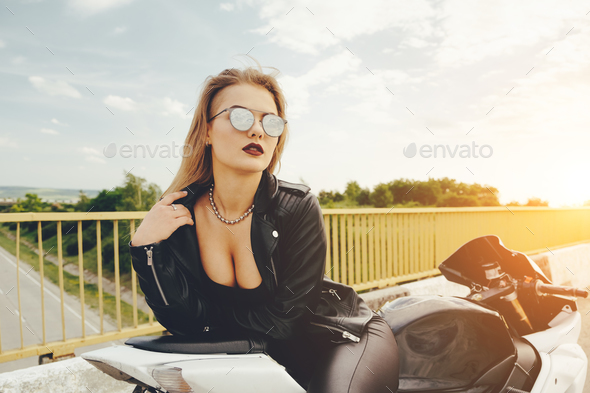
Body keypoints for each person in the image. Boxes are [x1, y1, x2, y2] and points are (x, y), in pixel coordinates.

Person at [128, 57, 399, 392]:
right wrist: (146, 249)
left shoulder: (297, 206)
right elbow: (183, 323)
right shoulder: (176, 217)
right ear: (207, 131)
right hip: (254, 350)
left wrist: (208, 323)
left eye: (271, 122)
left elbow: (283, 321)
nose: (256, 129)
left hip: (340, 337)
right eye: (240, 116)